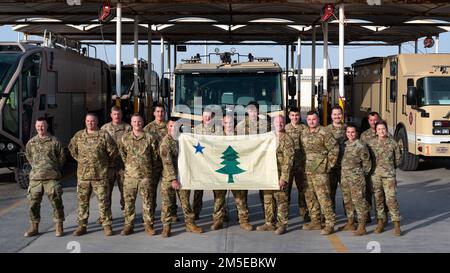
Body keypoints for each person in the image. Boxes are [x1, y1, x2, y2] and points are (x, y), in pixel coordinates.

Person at [69, 113, 118, 236]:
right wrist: (82, 160)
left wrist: (104, 163)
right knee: (82, 202)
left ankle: (106, 225)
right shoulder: (79, 135)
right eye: (88, 121)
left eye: (92, 121)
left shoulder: (104, 135)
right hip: (83, 176)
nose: (90, 123)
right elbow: (72, 149)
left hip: (100, 175)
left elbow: (113, 151)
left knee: (103, 201)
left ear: (97, 122)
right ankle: (82, 226)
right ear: (85, 122)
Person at [159, 118, 203, 237]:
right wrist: (173, 179)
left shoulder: (182, 139)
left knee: (185, 203)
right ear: (167, 127)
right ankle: (166, 227)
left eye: (176, 126)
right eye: (171, 126)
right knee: (167, 205)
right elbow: (167, 162)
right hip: (169, 179)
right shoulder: (165, 142)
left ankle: (190, 224)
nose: (173, 128)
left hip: (182, 176)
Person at [210, 115, 253, 231]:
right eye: (226, 123)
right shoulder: (217, 137)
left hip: (235, 172)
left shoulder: (239, 137)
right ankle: (218, 220)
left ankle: (243, 221)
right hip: (221, 172)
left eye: (230, 123)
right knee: (219, 198)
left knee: (240, 197)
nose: (228, 125)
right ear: (222, 123)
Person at [24, 118, 65, 237]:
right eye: (38, 126)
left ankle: (59, 226)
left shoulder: (54, 141)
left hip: (52, 178)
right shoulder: (31, 142)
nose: (40, 128)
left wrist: (53, 168)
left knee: (56, 202)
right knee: (33, 204)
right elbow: (29, 157)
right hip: (36, 179)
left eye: (42, 126)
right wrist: (38, 168)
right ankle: (34, 227)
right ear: (35, 127)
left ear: (47, 126)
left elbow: (61, 157)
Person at [119, 114, 159, 236]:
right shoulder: (125, 138)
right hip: (130, 176)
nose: (137, 124)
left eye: (139, 121)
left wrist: (147, 168)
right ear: (131, 123)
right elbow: (123, 154)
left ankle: (148, 225)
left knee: (148, 202)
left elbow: (155, 156)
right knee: (129, 202)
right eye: (135, 121)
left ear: (143, 122)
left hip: (146, 176)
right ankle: (128, 225)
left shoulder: (150, 138)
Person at [301, 111, 338, 235]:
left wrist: (329, 165)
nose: (312, 121)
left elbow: (334, 149)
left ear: (318, 120)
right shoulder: (304, 133)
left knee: (324, 198)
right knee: (310, 198)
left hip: (321, 172)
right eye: (309, 119)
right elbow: (302, 151)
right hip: (307, 171)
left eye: (314, 119)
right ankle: (315, 221)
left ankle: (330, 223)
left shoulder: (324, 133)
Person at [256, 115, 294, 235]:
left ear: (284, 123)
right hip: (268, 174)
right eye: (277, 122)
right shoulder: (268, 137)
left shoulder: (287, 139)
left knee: (281, 200)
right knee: (268, 199)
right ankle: (269, 223)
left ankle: (282, 224)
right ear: (273, 124)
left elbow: (288, 161)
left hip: (279, 175)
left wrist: (283, 178)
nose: (279, 124)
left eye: (281, 122)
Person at [236, 101, 273, 217]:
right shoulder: (240, 126)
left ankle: (266, 212)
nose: (252, 113)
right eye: (250, 110)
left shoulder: (265, 125)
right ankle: (243, 212)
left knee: (263, 187)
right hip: (245, 160)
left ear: (258, 111)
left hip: (260, 160)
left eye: (255, 111)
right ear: (247, 111)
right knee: (243, 188)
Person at [144, 103, 178, 223]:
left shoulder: (169, 126)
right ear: (154, 113)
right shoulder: (148, 129)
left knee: (170, 190)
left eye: (162, 111)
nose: (160, 114)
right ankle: (151, 214)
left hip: (167, 165)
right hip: (153, 165)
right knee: (151, 191)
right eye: (157, 111)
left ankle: (172, 213)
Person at [371, 120, 402, 236]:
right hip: (375, 176)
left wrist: (389, 169)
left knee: (391, 200)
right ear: (376, 131)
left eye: (383, 129)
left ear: (386, 130)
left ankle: (396, 224)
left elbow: (397, 160)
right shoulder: (371, 143)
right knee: (378, 199)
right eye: (378, 129)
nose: (381, 131)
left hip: (389, 176)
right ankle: (381, 222)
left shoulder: (393, 143)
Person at [340, 124, 371, 236]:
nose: (350, 134)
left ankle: (362, 226)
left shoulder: (361, 146)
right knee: (347, 201)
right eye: (348, 132)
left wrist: (360, 175)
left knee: (359, 201)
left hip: (356, 178)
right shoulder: (344, 145)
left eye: (352, 132)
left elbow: (367, 164)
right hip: (344, 177)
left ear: (356, 133)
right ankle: (350, 222)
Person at [100, 106, 131, 221]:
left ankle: (127, 215)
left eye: (118, 114)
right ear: (111, 115)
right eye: (114, 114)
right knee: (106, 193)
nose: (116, 116)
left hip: (123, 166)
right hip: (108, 167)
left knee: (125, 192)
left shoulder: (128, 128)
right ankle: (105, 216)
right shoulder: (104, 128)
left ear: (121, 114)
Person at [192, 107, 223, 220]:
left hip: (214, 164)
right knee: (198, 190)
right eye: (205, 117)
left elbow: (219, 144)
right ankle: (195, 213)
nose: (207, 119)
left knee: (218, 190)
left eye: (209, 117)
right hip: (201, 164)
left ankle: (219, 214)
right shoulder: (196, 129)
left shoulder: (219, 129)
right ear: (202, 117)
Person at [285, 107, 310, 222]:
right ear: (289, 116)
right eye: (292, 115)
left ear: (300, 116)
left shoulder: (305, 128)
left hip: (301, 164)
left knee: (303, 190)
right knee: (286, 190)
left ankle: (304, 212)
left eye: (297, 115)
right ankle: (284, 213)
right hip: (288, 165)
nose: (295, 117)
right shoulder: (285, 128)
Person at [326, 105, 346, 212]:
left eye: (339, 114)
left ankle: (350, 218)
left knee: (346, 193)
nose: (337, 116)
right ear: (331, 116)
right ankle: (330, 217)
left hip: (344, 167)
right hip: (331, 167)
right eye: (334, 114)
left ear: (342, 115)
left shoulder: (348, 129)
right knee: (330, 193)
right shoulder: (326, 130)